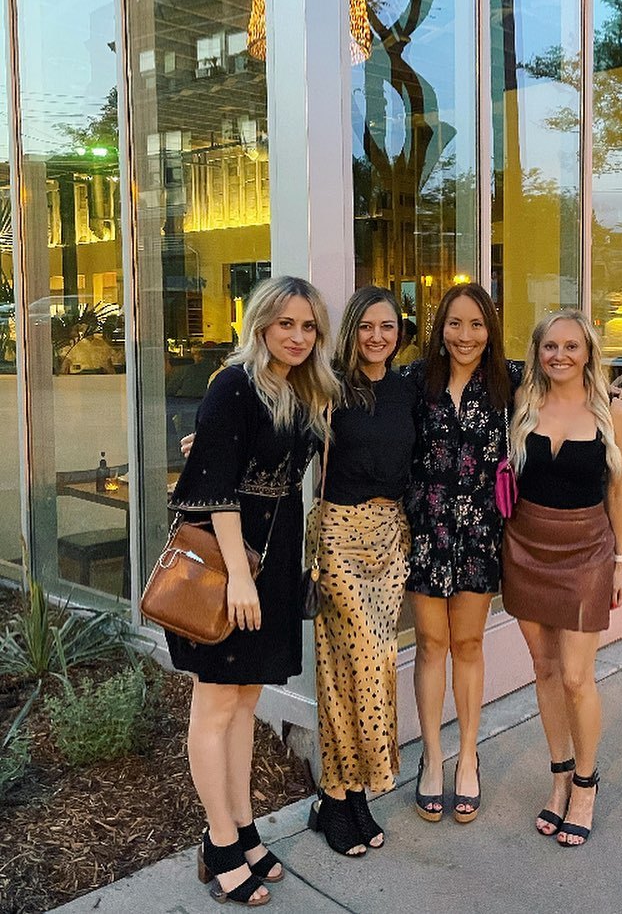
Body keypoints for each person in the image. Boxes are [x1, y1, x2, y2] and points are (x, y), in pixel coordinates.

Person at [166, 275, 338, 906]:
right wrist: (240, 575)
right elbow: (215, 488)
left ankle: (242, 828)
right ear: (261, 323)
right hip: (229, 564)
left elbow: (244, 458)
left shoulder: (302, 390)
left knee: (245, 704)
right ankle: (217, 843)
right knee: (215, 705)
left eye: (308, 326)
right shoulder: (235, 383)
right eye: (285, 323)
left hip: (275, 556)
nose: (297, 336)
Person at [501, 307, 622, 849]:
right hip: (525, 546)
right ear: (537, 352)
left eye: (571, 346)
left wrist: (620, 561)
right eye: (550, 346)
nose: (560, 355)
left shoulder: (614, 409)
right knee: (544, 667)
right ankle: (558, 778)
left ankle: (585, 783)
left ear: (588, 352)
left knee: (577, 677)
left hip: (586, 552)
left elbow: (618, 491)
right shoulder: (522, 404)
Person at [401, 282, 523, 823]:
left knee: (468, 643)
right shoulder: (414, 381)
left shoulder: (510, 381)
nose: (465, 335)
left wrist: (610, 398)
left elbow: (570, 380)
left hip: (479, 535)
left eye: (476, 324)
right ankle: (432, 757)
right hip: (426, 532)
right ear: (440, 327)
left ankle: (468, 756)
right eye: (455, 323)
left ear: (490, 330)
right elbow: (354, 401)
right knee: (431, 644)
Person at [307, 285, 418, 857]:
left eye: (388, 327)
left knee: (353, 668)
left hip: (391, 539)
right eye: (367, 326)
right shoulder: (327, 388)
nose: (378, 336)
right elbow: (279, 429)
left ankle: (343, 798)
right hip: (339, 537)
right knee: (366, 661)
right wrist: (213, 443)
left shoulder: (408, 388)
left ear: (400, 333)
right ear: (352, 330)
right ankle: (344, 793)